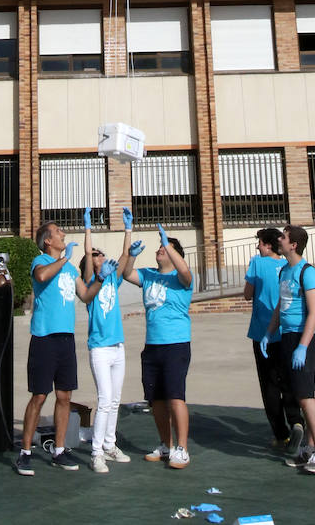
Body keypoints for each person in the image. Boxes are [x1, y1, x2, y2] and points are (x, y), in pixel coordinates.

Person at [15, 219, 102, 476]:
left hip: (65, 339)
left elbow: (85, 295)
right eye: (57, 232)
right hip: (44, 339)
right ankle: (25, 452)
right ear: (48, 241)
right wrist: (65, 260)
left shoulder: (71, 269)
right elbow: (41, 277)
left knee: (65, 396)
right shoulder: (40, 261)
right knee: (40, 396)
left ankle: (59, 451)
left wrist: (100, 278)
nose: (63, 233)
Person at [261, 223, 315, 474]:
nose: (279, 239)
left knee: (304, 395)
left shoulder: (308, 272)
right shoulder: (285, 271)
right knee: (307, 390)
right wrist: (269, 332)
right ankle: (311, 448)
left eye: (283, 236)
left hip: (305, 338)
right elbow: (281, 306)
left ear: (293, 245)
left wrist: (303, 346)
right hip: (287, 336)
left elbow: (313, 313)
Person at [123, 222, 194, 469]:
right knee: (157, 400)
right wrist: (131, 256)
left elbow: (185, 271)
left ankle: (182, 448)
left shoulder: (181, 279)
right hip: (152, 345)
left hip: (176, 344)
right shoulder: (149, 275)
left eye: (165, 248)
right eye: (160, 247)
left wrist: (169, 244)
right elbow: (126, 274)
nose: (160, 250)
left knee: (176, 397)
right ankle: (166, 444)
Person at [80, 203, 145, 473]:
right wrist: (87, 227)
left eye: (100, 253)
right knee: (104, 399)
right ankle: (96, 453)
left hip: (117, 347)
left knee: (115, 399)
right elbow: (86, 253)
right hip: (100, 348)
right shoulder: (89, 284)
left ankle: (109, 444)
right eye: (96, 254)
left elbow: (125, 256)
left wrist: (129, 228)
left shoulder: (111, 281)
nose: (100, 255)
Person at [244, 226, 302, 450]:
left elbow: (248, 294)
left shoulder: (257, 264)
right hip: (286, 331)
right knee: (287, 380)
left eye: (259, 242)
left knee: (269, 385)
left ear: (267, 245)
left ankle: (281, 434)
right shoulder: (287, 266)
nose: (257, 246)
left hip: (262, 333)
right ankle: (296, 420)